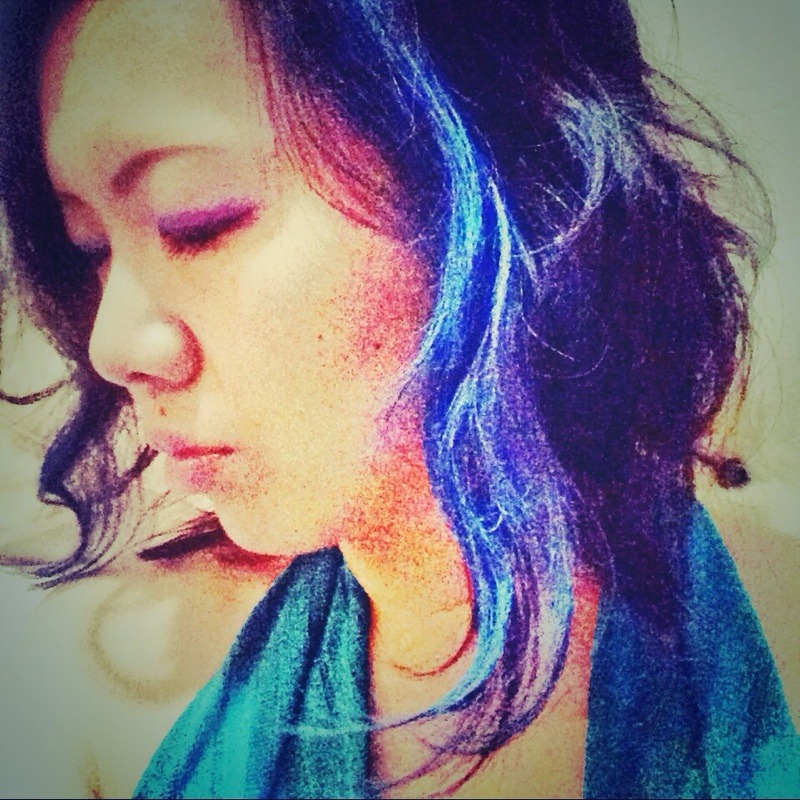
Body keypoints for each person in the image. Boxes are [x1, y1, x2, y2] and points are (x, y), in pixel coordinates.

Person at [0, 0, 797, 797]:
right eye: (92, 248)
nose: (114, 346)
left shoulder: (778, 634)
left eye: (198, 219)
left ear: (513, 175)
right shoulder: (103, 703)